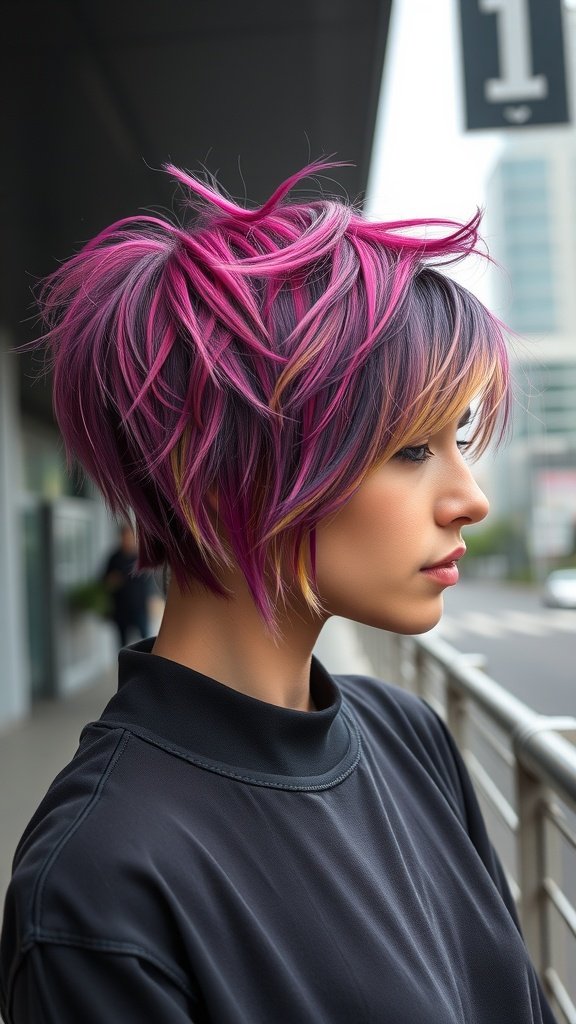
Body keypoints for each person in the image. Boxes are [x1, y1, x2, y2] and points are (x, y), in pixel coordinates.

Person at [0, 161, 557, 1024]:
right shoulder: (101, 883)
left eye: (459, 439)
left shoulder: (410, 737)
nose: (469, 498)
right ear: (219, 473)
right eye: (412, 451)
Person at [102, 522, 152, 646]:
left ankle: (144, 665)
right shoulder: (114, 558)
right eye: (125, 536)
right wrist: (111, 581)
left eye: (130, 536)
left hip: (139, 606)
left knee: (146, 640)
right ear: (121, 537)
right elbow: (104, 581)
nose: (128, 539)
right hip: (121, 608)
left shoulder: (141, 557)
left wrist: (152, 600)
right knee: (122, 643)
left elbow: (149, 581)